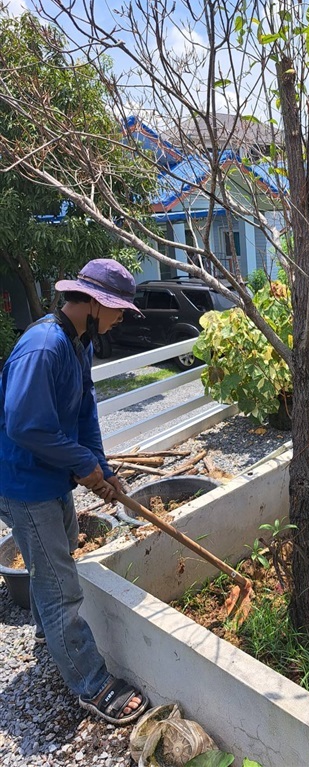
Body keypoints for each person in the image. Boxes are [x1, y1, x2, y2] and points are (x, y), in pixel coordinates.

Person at [0, 259, 149, 725]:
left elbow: (86, 415)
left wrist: (102, 469)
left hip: (51, 478)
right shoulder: (43, 347)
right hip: (24, 482)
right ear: (95, 303)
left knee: (59, 551)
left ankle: (49, 636)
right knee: (60, 584)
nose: (120, 318)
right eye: (119, 310)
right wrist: (84, 466)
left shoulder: (78, 343)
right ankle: (91, 684)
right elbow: (25, 426)